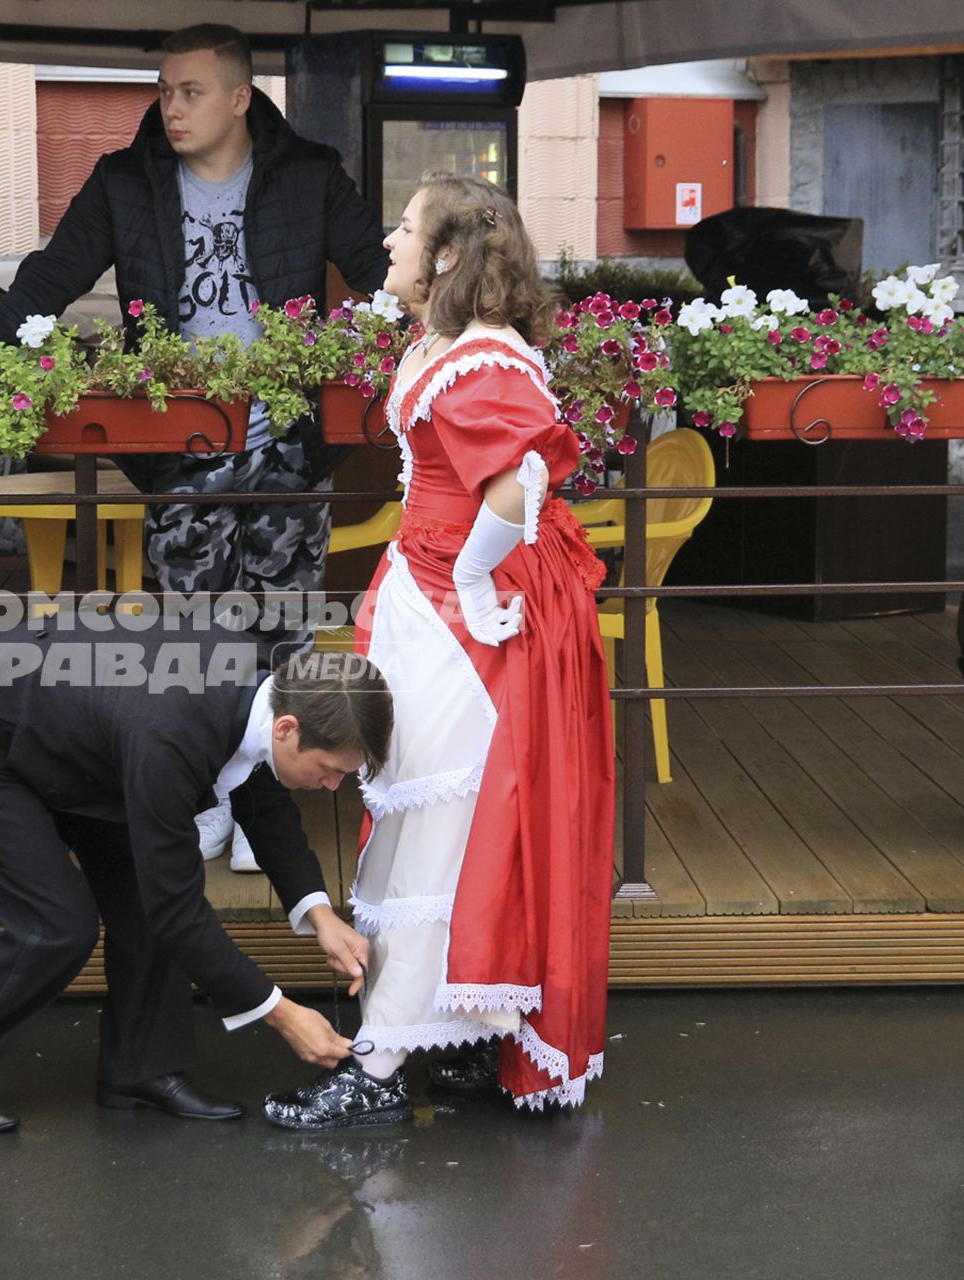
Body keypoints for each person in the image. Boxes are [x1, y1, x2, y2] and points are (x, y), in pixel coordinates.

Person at [0, 23, 391, 875]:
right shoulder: (124, 182)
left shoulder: (309, 175)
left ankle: (264, 811)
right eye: (164, 90)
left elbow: (380, 275)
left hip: (288, 443)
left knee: (283, 633)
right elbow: (51, 276)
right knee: (194, 633)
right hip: (182, 446)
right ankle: (204, 798)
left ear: (240, 97)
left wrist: (435, 347)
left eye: (191, 91)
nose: (171, 107)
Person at [262, 173, 614, 1128]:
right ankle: (458, 1035)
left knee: (446, 832)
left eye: (406, 229)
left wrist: (465, 582)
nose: (387, 242)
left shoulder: (482, 361)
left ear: (449, 255)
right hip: (435, 596)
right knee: (443, 824)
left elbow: (517, 485)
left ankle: (376, 1068)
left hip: (469, 620)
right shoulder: (448, 346)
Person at [0, 624, 388, 1133]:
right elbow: (177, 908)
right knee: (57, 924)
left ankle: (140, 1067)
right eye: (330, 769)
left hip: (74, 735)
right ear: (287, 729)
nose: (332, 785)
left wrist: (322, 917)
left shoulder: (268, 695)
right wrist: (281, 1013)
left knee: (141, 893)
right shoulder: (172, 733)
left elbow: (264, 801)